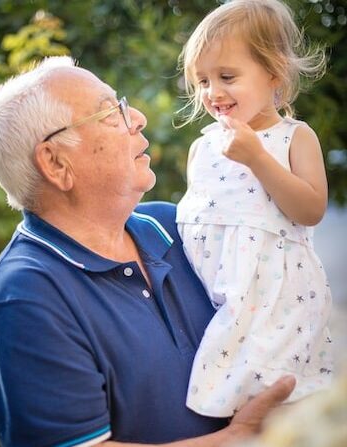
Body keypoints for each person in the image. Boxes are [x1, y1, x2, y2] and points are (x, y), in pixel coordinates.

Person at [0, 56, 295, 447]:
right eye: (110, 112)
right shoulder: (24, 299)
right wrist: (237, 440)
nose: (137, 117)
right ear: (56, 163)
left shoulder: (179, 227)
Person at [176, 0, 333, 419]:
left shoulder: (294, 137)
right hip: (216, 299)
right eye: (202, 80)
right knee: (223, 408)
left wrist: (257, 160)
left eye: (227, 76)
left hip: (276, 303)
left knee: (275, 404)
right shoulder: (202, 147)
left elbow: (311, 208)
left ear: (273, 74)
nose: (213, 92)